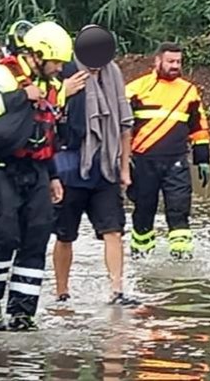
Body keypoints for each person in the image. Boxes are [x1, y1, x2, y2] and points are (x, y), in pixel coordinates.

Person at [0, 20, 71, 331]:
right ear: (38, 55)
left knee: (36, 238)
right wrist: (22, 95)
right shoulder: (1, 74)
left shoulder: (54, 85)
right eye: (56, 62)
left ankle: (22, 313)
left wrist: (53, 176)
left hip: (36, 170)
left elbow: (50, 134)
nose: (59, 68)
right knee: (6, 235)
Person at [51, 25, 138, 306]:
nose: (97, 68)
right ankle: (62, 292)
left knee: (113, 230)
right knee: (65, 235)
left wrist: (124, 169)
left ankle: (117, 291)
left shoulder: (113, 75)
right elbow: (41, 112)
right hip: (68, 166)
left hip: (104, 167)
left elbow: (125, 125)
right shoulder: (63, 72)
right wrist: (63, 92)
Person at [124, 42, 210, 260]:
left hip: (177, 161)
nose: (175, 66)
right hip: (143, 161)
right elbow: (121, 127)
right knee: (144, 211)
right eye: (170, 61)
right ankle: (141, 257)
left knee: (179, 210)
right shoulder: (135, 89)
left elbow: (199, 126)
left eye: (178, 62)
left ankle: (181, 262)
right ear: (158, 61)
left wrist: (203, 159)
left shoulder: (188, 91)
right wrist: (121, 161)